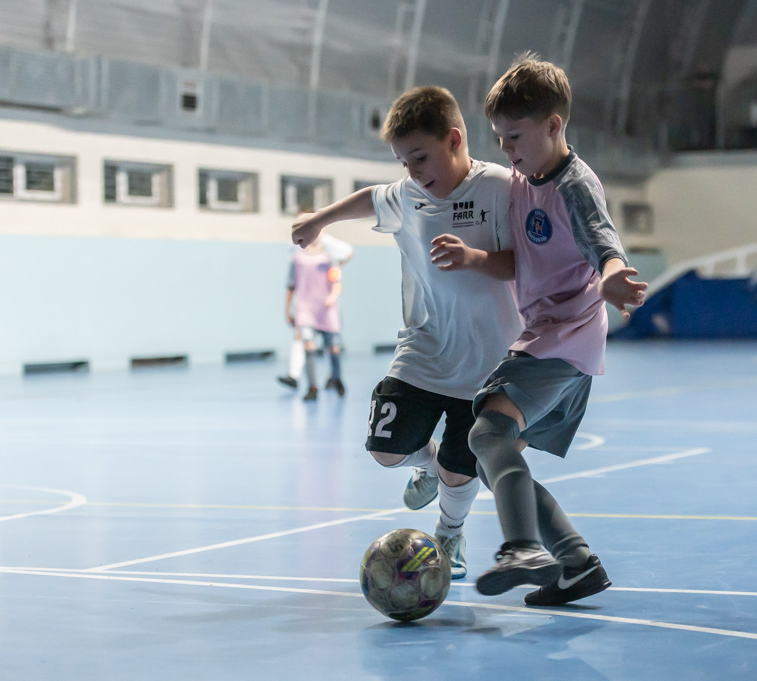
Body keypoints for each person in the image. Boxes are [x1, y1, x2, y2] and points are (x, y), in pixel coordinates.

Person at [291, 86, 523, 577]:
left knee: (461, 468)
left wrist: (474, 258)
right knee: (384, 448)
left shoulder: (500, 188)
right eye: (403, 162)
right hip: (424, 348)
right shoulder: (408, 194)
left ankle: (450, 533)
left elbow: (524, 264)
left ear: (454, 140)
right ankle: (427, 463)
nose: (413, 172)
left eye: (420, 157)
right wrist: (320, 220)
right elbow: (373, 197)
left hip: (489, 361)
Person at [455, 54, 646, 605]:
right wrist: (474, 258)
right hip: (549, 338)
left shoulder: (575, 186)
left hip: (566, 337)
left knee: (487, 436)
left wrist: (613, 275)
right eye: (499, 137)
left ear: (554, 125)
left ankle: (522, 548)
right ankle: (576, 563)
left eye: (514, 137)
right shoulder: (524, 177)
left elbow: (603, 242)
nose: (506, 149)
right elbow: (527, 261)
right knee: (495, 461)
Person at [277, 232, 353, 397]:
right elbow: (290, 286)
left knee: (333, 347)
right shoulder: (297, 258)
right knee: (308, 345)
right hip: (306, 310)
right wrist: (287, 310)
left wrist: (332, 296)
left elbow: (337, 281)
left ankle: (336, 378)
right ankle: (312, 387)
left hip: (326, 310)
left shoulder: (329, 258)